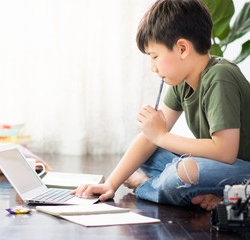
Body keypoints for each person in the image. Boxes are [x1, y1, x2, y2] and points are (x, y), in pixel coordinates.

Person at [72, 0, 250, 211]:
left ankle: (144, 184)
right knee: (147, 152)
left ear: (182, 49)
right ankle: (207, 193)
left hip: (242, 167)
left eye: (155, 57)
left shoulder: (220, 77)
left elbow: (225, 152)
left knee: (181, 173)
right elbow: (151, 139)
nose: (153, 67)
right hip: (218, 167)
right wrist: (111, 183)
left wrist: (161, 137)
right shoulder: (182, 81)